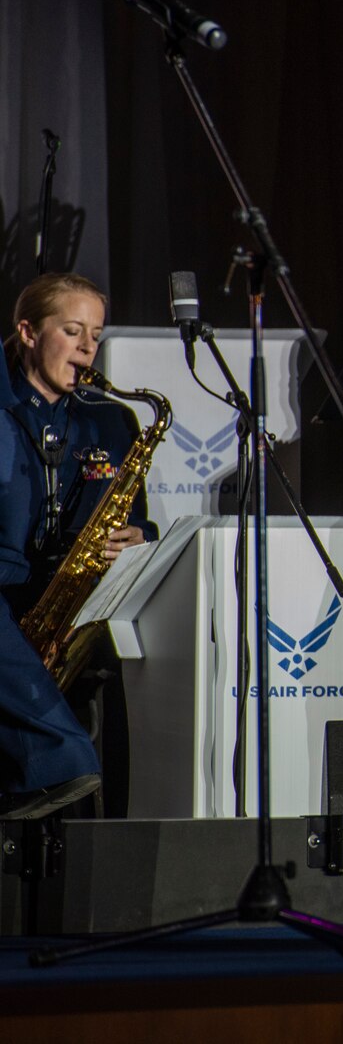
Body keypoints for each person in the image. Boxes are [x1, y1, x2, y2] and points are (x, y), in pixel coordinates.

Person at [0, 274, 157, 819]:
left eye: (96, 332)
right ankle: (64, 761)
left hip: (69, 598)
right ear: (27, 332)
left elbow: (136, 517)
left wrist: (140, 536)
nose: (88, 346)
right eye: (72, 330)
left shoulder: (112, 420)